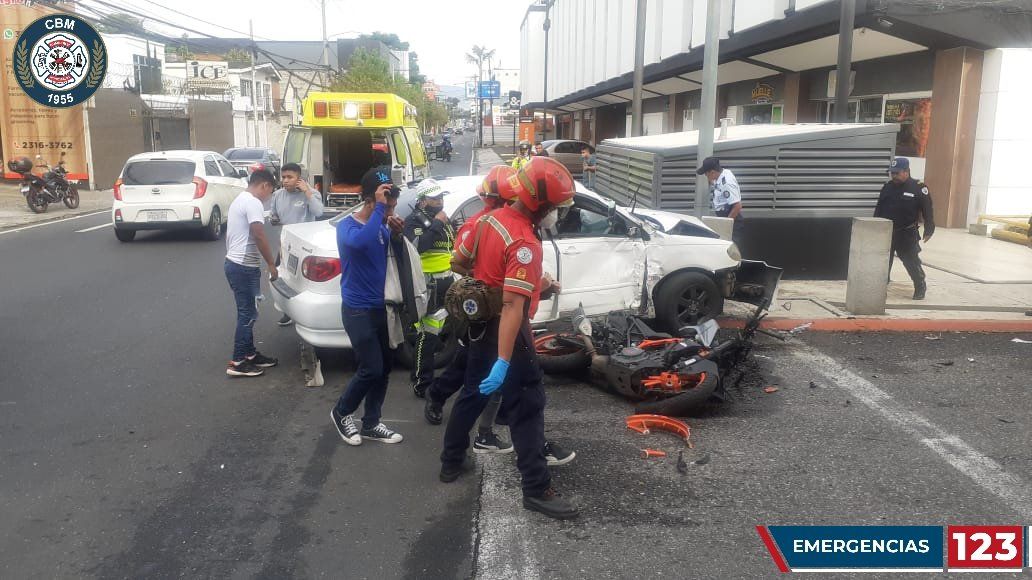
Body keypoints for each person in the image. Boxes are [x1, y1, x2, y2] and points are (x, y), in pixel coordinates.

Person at [440, 157, 579, 520]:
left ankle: (451, 462)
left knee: (471, 394)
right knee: (528, 407)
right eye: (557, 208)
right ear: (542, 204)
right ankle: (536, 489)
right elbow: (514, 306)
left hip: (480, 325)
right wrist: (505, 361)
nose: (558, 215)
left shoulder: (488, 220)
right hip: (507, 333)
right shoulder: (524, 241)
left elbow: (461, 260)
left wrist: (500, 283)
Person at [330, 167, 407, 446]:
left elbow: (386, 259)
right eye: (387, 203)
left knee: (384, 367)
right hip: (357, 310)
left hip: (379, 308)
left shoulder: (382, 225)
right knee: (371, 368)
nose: (391, 209)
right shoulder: (347, 227)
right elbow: (361, 244)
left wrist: (396, 234)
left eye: (392, 204)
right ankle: (341, 412)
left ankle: (371, 423)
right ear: (370, 201)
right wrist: (380, 212)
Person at [404, 178, 456, 398]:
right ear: (422, 201)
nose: (440, 201)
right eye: (435, 198)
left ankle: (427, 376)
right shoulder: (414, 221)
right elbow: (416, 247)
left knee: (445, 330)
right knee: (429, 333)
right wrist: (437, 224)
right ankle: (421, 380)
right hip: (428, 284)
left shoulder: (441, 220)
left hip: (447, 281)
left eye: (441, 197)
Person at [224, 169, 280, 377]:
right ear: (264, 185)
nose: (268, 197)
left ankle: (249, 355)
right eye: (270, 191)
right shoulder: (253, 202)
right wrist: (271, 263)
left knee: (249, 312)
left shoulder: (241, 199)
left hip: (236, 263)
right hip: (243, 266)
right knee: (247, 314)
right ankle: (238, 362)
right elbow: (258, 234)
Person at [270, 162, 325, 326]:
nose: (285, 181)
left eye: (290, 177)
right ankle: (286, 311)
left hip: (304, 247)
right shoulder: (278, 195)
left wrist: (307, 193)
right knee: (280, 279)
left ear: (299, 179)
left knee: (302, 281)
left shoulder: (311, 193)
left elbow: (318, 212)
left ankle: (307, 314)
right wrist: (274, 220)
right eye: (283, 177)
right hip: (285, 244)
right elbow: (274, 215)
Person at [874, 157, 934, 300]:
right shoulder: (887, 187)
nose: (893, 176)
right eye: (892, 173)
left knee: (911, 261)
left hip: (906, 233)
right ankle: (879, 289)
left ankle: (920, 286)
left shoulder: (918, 188)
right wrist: (874, 227)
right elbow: (879, 209)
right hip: (886, 232)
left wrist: (929, 229)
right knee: (882, 263)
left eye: (897, 173)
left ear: (906, 172)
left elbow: (928, 210)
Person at [696, 156, 744, 245]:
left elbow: (737, 206)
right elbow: (716, 184)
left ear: (713, 172)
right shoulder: (722, 174)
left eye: (706, 174)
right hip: (725, 216)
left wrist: (725, 225)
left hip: (731, 219)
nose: (706, 176)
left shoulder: (727, 183)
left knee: (729, 249)